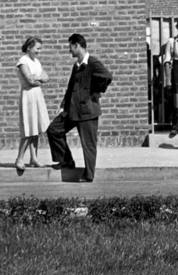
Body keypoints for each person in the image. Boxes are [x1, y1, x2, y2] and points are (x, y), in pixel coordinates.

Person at [46, 32, 112, 182]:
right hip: (72, 110)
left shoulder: (93, 63)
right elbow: (71, 87)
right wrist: (64, 103)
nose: (69, 50)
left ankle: (88, 175)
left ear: (76, 45)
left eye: (70, 46)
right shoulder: (76, 66)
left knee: (88, 144)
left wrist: (95, 91)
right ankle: (66, 160)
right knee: (54, 129)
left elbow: (107, 76)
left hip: (87, 111)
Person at [12, 35, 50, 175]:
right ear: (29, 47)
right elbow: (30, 81)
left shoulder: (36, 61)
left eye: (40, 49)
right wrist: (39, 80)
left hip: (37, 96)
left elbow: (46, 77)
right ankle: (19, 159)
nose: (39, 51)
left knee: (36, 128)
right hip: (28, 96)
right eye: (37, 48)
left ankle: (34, 158)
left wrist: (39, 78)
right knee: (28, 129)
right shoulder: (23, 61)